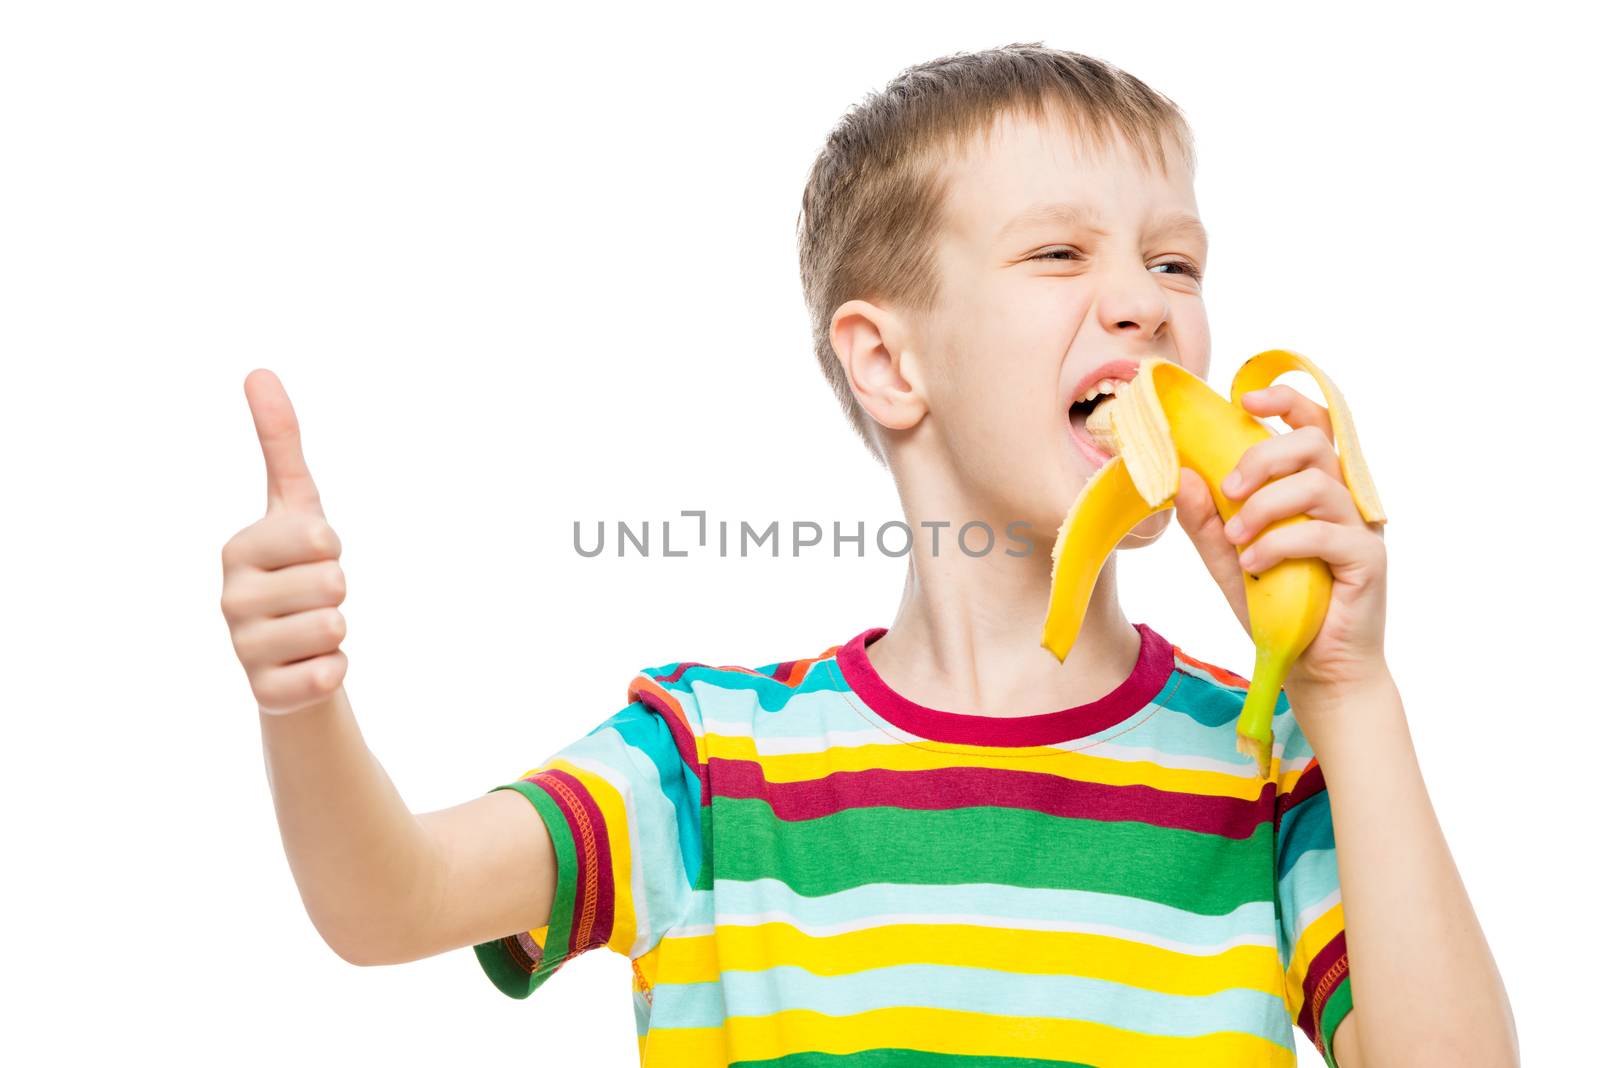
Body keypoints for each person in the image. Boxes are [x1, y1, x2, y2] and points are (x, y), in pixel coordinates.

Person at [221, 42, 1518, 1068]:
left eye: (1174, 260)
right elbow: (386, 904)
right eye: (1060, 252)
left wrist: (1348, 690)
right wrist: (303, 701)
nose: (1145, 301)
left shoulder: (1266, 764)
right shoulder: (708, 764)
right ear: (890, 361)